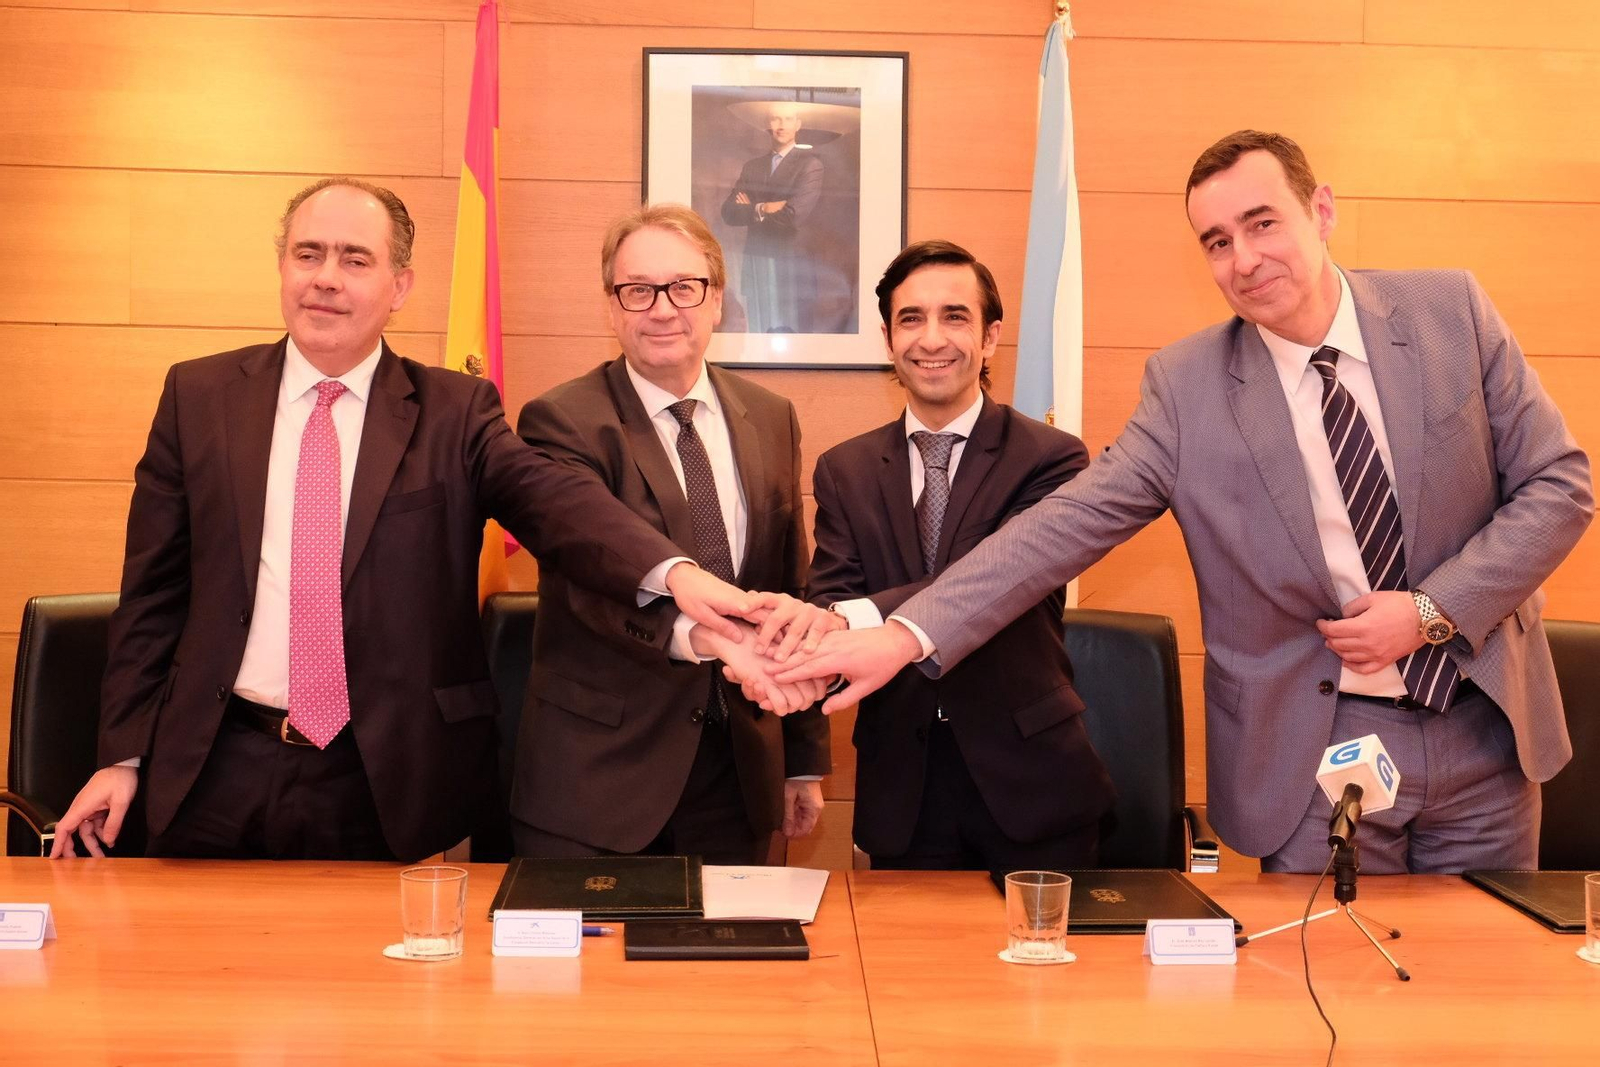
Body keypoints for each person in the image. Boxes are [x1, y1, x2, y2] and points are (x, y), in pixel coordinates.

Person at [775, 131, 1593, 874]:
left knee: (1489, 994)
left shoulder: (1450, 311)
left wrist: (1428, 610)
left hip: (1485, 728)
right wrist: (902, 631)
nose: (1243, 257)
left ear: (1322, 209)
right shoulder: (1188, 385)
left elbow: (1560, 485)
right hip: (1320, 745)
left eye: (1262, 223)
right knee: (1328, 1006)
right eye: (1217, 241)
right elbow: (1055, 531)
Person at [49, 179, 757, 862]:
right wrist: (121, 755)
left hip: (381, 776)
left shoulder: (455, 411)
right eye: (308, 254)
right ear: (282, 267)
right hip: (215, 761)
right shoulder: (198, 397)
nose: (327, 277)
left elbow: (556, 501)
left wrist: (675, 574)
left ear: (400, 287)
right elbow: (152, 596)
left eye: (356, 259)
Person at [510, 203, 831, 865]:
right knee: (585, 972)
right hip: (600, 780)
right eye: (638, 290)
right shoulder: (561, 421)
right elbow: (590, 579)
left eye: (684, 287)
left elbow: (791, 585)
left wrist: (801, 759)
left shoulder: (771, 418)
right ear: (612, 306)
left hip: (737, 772)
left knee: (725, 965)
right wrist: (706, 635)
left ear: (717, 301)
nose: (662, 309)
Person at [802, 240, 1114, 869]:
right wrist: (809, 633)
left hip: (1030, 782)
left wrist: (853, 619)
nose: (931, 338)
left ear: (991, 337)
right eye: (910, 319)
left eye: (955, 316)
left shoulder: (1051, 458)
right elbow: (829, 599)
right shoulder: (845, 469)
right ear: (888, 340)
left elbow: (994, 576)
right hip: (903, 788)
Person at [720, 102, 823, 333]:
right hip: (757, 267)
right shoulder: (752, 167)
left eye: (787, 119)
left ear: (798, 124)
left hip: (793, 269)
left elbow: (792, 216)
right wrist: (764, 208)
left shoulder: (810, 165)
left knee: (797, 345)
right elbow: (729, 212)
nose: (781, 125)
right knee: (759, 340)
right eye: (776, 119)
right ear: (768, 124)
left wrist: (751, 210)